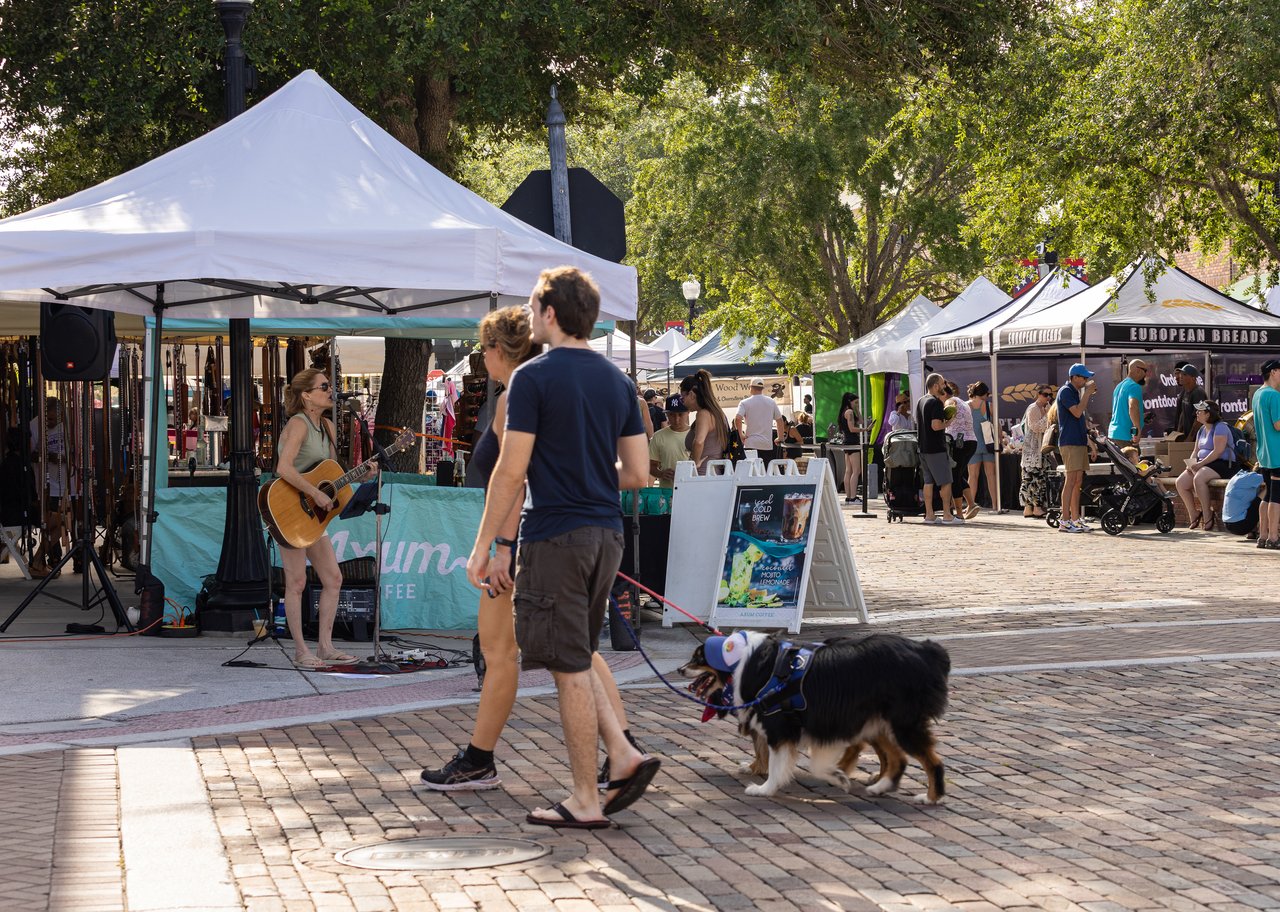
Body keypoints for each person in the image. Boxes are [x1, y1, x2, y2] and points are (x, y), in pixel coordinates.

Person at [466, 266, 657, 829]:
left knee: (568, 668)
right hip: (608, 533)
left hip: (556, 533)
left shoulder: (533, 379)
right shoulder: (618, 381)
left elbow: (510, 471)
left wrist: (485, 545)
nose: (529, 317)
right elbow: (640, 474)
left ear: (551, 314)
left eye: (533, 306)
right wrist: (591, 474)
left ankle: (585, 798)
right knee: (579, 652)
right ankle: (620, 754)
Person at [273, 368, 375, 669]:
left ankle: (326, 647)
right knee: (297, 581)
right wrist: (314, 494)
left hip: (313, 515)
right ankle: (301, 651)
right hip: (288, 508)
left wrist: (361, 473)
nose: (331, 390)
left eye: (331, 386)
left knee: (333, 578)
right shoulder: (298, 423)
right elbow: (284, 468)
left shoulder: (328, 427)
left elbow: (330, 475)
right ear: (306, 395)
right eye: (323, 387)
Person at [1175, 400, 1236, 531]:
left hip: (1223, 463)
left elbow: (1218, 451)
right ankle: (1194, 513)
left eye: (1200, 411)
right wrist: (1191, 464)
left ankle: (1208, 514)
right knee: (1181, 482)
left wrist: (1200, 464)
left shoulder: (1220, 427)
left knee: (1199, 478)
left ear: (1208, 414)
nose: (1196, 413)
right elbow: (1195, 451)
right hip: (1203, 464)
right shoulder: (1201, 429)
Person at [1057, 363, 1099, 533]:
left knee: (1078, 481)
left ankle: (1075, 518)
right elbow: (1076, 412)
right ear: (1074, 377)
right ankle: (1065, 520)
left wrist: (1090, 443)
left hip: (1079, 440)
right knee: (1071, 480)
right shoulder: (1066, 391)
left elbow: (1080, 419)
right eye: (1083, 377)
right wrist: (1088, 393)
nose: (1086, 380)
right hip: (1070, 441)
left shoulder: (1074, 392)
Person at [915, 373, 956, 525]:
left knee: (928, 482)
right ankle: (947, 515)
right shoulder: (936, 403)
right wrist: (949, 422)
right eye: (942, 383)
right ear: (936, 386)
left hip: (923, 448)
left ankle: (930, 515)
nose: (945, 386)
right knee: (946, 481)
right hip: (936, 448)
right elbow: (936, 425)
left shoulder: (921, 400)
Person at [1252, 358, 1280, 549]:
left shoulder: (1257, 394)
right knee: (1277, 497)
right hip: (1277, 453)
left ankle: (1262, 536)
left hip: (1263, 453)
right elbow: (1278, 425)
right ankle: (1273, 537)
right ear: (1274, 372)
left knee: (1267, 495)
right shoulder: (1274, 395)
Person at [680, 370, 729, 474]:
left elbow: (699, 441)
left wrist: (694, 463)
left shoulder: (703, 414)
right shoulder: (717, 413)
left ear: (692, 395)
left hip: (702, 475)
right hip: (716, 473)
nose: (682, 401)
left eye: (682, 397)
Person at [966, 381, 1001, 514]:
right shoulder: (988, 405)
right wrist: (999, 441)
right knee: (991, 475)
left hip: (972, 444)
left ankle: (971, 505)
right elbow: (996, 424)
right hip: (988, 443)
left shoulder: (966, 406)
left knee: (972, 476)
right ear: (984, 393)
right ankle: (994, 505)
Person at [1020, 385, 1054, 518]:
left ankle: (1034, 508)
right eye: (1045, 395)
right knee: (1031, 479)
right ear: (1038, 394)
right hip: (1032, 450)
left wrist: (1048, 412)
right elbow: (1035, 427)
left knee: (1039, 479)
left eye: (1050, 395)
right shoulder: (1033, 408)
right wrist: (1048, 415)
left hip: (1041, 450)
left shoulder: (1046, 408)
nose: (1048, 398)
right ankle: (1032, 508)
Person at [735, 377, 786, 463]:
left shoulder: (744, 403)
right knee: (765, 471)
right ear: (762, 388)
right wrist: (780, 437)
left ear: (750, 387)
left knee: (751, 472)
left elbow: (737, 418)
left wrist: (741, 435)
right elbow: (779, 420)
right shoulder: (771, 402)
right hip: (767, 444)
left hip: (751, 443)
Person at [943, 382, 974, 520]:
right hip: (971, 441)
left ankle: (959, 514)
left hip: (959, 442)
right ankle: (971, 504)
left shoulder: (950, 401)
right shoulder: (963, 402)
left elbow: (947, 417)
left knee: (955, 476)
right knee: (959, 473)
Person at [649, 394, 690, 487]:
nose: (676, 419)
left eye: (680, 414)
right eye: (672, 415)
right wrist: (661, 474)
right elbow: (651, 465)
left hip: (690, 490)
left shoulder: (696, 435)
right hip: (667, 493)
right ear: (666, 414)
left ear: (688, 412)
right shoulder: (658, 436)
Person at [1222, 465, 1263, 538]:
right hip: (1241, 525)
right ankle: (1264, 534)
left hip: (1228, 524)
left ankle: (1251, 532)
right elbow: (1273, 479)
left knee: (1248, 501)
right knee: (1269, 490)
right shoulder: (1253, 477)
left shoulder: (1237, 477)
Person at [838, 391, 865, 504]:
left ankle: (849, 497)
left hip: (847, 442)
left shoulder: (845, 411)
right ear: (850, 401)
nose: (857, 404)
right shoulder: (849, 412)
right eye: (856, 402)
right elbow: (852, 429)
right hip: (852, 441)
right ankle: (853, 497)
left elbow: (861, 421)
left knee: (848, 470)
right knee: (856, 470)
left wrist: (857, 409)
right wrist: (865, 430)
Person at [1171, 363, 1207, 441]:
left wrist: (1190, 438)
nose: (1180, 376)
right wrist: (1178, 432)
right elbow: (1183, 414)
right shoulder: (1185, 392)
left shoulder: (1198, 393)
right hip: (1188, 436)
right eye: (1181, 374)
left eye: (1184, 374)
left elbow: (1199, 420)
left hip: (1198, 439)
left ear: (1193, 378)